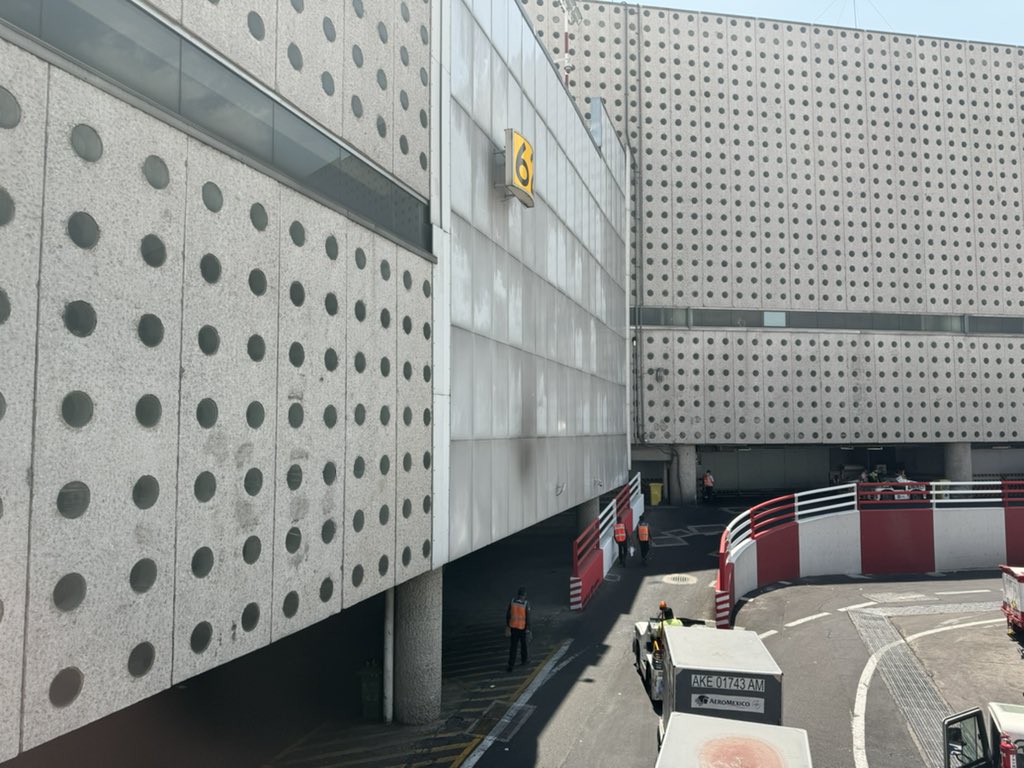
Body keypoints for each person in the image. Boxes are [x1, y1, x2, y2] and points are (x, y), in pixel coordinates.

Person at [506, 586, 530, 672]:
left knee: (513, 647)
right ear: (524, 595)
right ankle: (524, 660)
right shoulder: (525, 604)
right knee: (524, 646)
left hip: (513, 627)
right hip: (522, 628)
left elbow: (508, 615)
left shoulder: (512, 602)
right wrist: (529, 628)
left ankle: (510, 665)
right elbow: (527, 617)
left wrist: (508, 626)